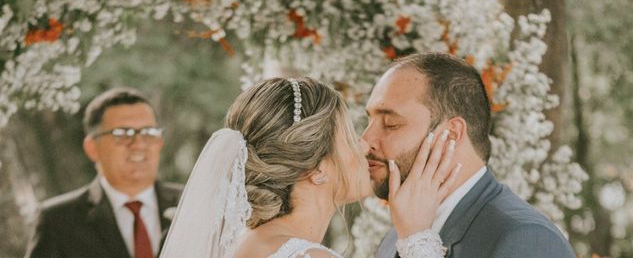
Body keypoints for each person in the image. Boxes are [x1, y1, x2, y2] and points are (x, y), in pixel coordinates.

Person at [159, 77, 458, 258]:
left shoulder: (247, 244)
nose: (365, 144)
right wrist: (418, 238)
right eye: (350, 136)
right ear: (317, 169)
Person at [364, 52, 576, 258]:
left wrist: (416, 242)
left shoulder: (528, 239)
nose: (366, 141)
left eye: (390, 124)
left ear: (451, 134)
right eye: (369, 121)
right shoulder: (394, 238)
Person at [25, 87, 182, 258]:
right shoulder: (57, 221)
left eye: (148, 132)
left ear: (160, 142)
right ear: (92, 148)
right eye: (123, 134)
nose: (139, 144)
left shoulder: (195, 203)